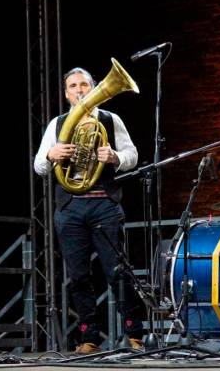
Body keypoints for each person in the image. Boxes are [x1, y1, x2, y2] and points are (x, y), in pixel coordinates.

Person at [34, 67, 144, 353]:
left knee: (116, 271)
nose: (80, 90)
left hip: (104, 204)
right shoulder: (57, 124)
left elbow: (132, 155)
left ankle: (134, 333)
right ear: (66, 93)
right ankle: (89, 336)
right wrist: (51, 154)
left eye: (85, 84)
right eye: (73, 86)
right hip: (70, 207)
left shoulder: (110, 119)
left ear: (94, 88)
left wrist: (114, 156)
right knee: (79, 276)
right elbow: (38, 166)